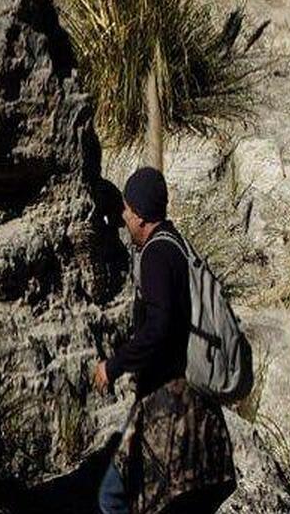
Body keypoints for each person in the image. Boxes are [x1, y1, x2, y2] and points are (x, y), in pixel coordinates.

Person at [92, 168, 236, 514]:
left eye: (126, 210)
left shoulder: (156, 255)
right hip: (194, 401)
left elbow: (158, 328)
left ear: (139, 215)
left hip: (168, 404)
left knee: (113, 498)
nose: (123, 217)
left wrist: (113, 366)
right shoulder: (177, 243)